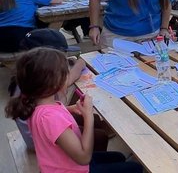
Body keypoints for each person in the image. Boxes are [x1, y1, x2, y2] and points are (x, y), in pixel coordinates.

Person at [4, 48, 142, 172]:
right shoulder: (51, 118)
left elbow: (50, 121)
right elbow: (83, 157)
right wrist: (88, 116)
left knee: (118, 157)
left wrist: (70, 109)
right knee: (135, 168)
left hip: (59, 162)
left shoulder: (35, 104)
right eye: (65, 74)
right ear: (54, 82)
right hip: (74, 167)